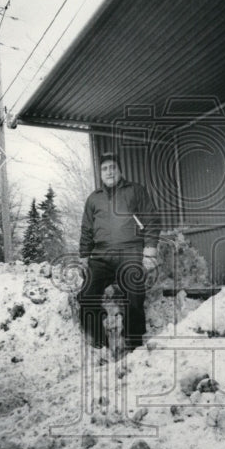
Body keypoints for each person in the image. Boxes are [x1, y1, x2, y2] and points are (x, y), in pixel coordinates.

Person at [78, 151, 161, 352]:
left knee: (134, 291)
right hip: (101, 256)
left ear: (120, 170)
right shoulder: (94, 199)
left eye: (113, 167)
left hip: (130, 251)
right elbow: (87, 230)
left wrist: (150, 250)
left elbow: (151, 219)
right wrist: (83, 256)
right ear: (100, 173)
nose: (109, 171)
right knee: (86, 294)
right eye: (105, 168)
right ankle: (99, 343)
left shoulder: (135, 191)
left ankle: (133, 342)